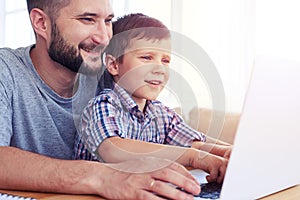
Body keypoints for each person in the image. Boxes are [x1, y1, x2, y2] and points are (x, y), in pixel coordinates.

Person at [0, 1, 202, 199]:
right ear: (41, 23)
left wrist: (219, 154)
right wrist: (104, 178)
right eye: (87, 19)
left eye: (108, 21)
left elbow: (166, 124)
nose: (105, 38)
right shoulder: (6, 70)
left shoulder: (107, 73)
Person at [75, 13, 232, 185]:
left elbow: (195, 144)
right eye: (146, 57)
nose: (159, 69)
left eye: (165, 60)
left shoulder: (161, 113)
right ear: (113, 65)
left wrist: (226, 152)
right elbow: (113, 149)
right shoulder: (103, 105)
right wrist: (194, 158)